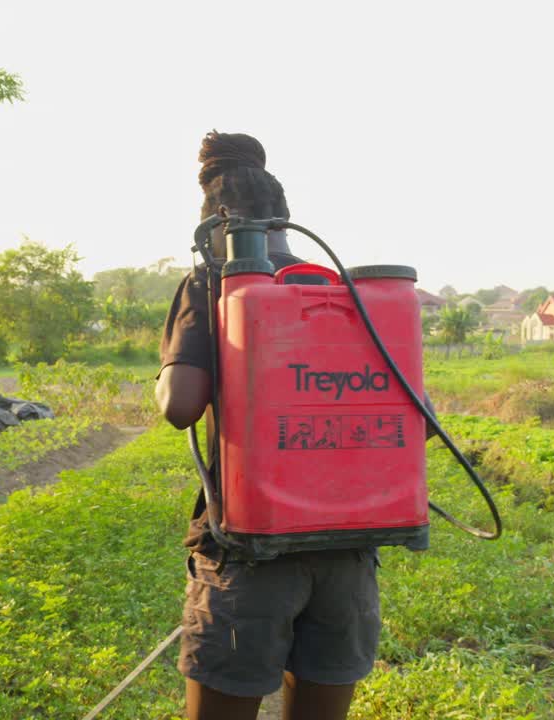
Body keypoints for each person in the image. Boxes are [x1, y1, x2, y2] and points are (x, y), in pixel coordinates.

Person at [155, 131, 380, 720]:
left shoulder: (214, 283)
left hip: (248, 550)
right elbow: (417, 415)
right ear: (284, 215)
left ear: (211, 221)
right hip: (347, 550)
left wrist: (168, 364)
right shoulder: (342, 287)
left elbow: (180, 405)